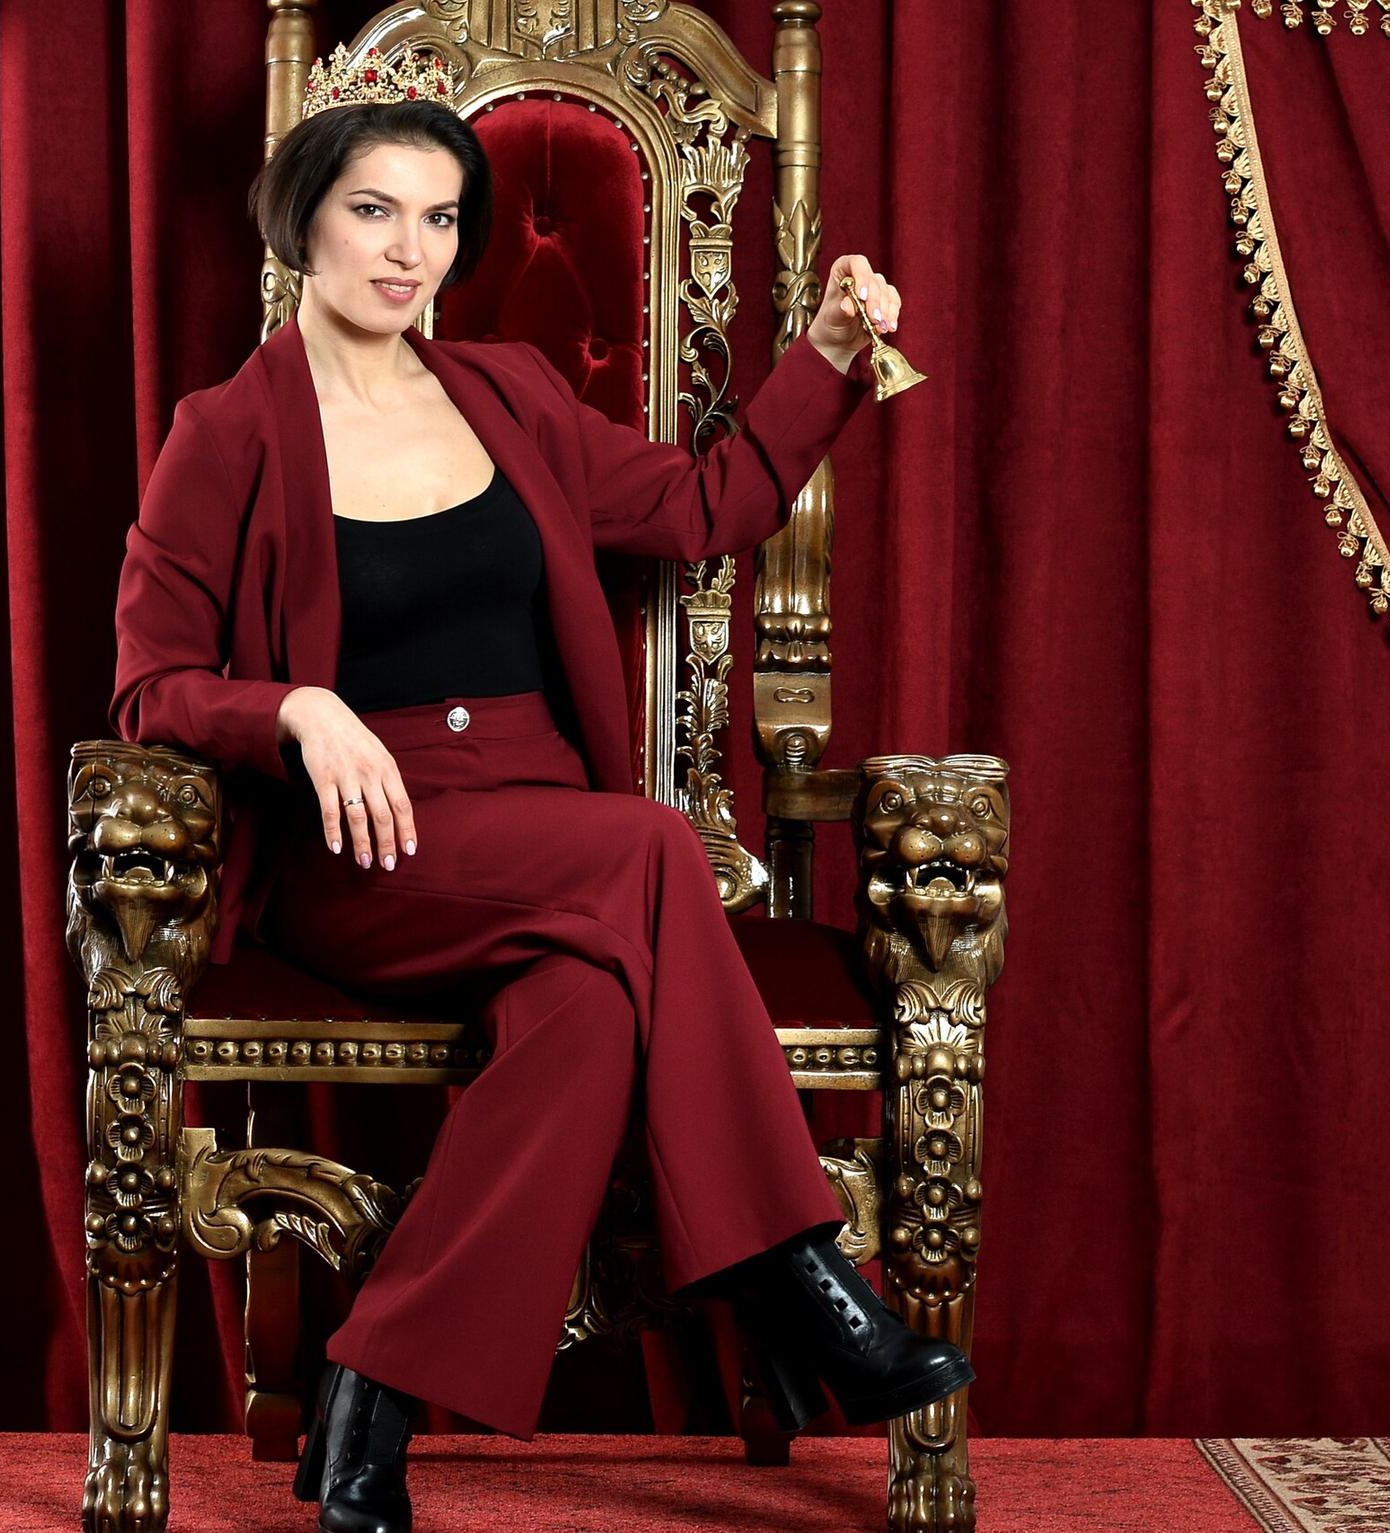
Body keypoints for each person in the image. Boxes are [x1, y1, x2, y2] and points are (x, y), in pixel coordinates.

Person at [110, 43, 969, 1533]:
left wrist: (828, 350)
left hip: (548, 834)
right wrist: (295, 707)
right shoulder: (228, 432)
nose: (409, 249)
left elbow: (703, 508)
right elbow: (150, 686)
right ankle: (796, 1275)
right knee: (650, 852)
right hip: (365, 847)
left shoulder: (506, 392)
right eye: (375, 210)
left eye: (440, 218)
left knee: (584, 1014)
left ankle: (367, 1407)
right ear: (302, 219)